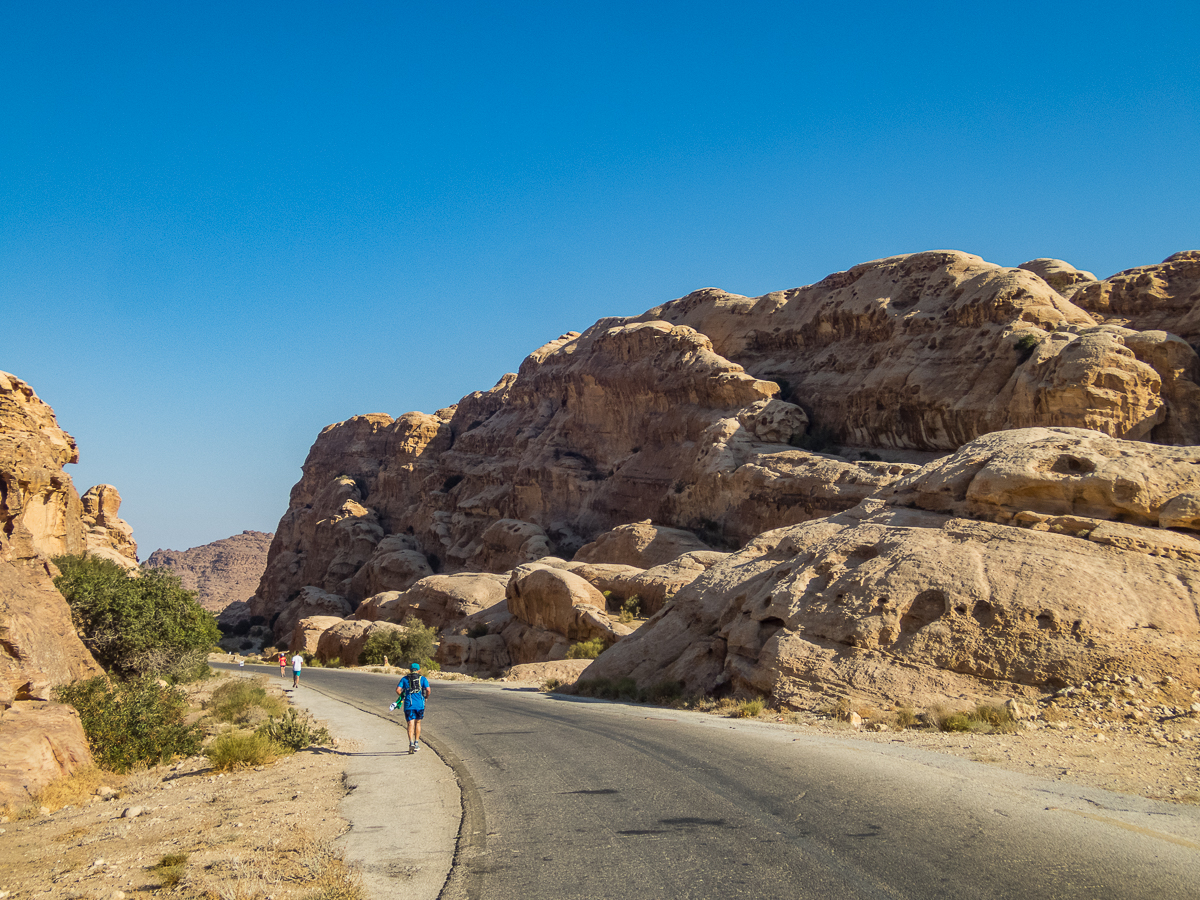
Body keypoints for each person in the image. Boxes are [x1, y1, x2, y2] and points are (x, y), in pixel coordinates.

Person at [395, 662, 431, 754]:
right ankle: (417, 743)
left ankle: (411, 742)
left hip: (409, 704)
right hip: (420, 704)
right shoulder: (422, 679)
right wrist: (426, 698)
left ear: (410, 670)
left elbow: (398, 690)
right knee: (418, 722)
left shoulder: (404, 679)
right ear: (419, 670)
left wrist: (403, 696)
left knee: (410, 723)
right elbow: (428, 690)